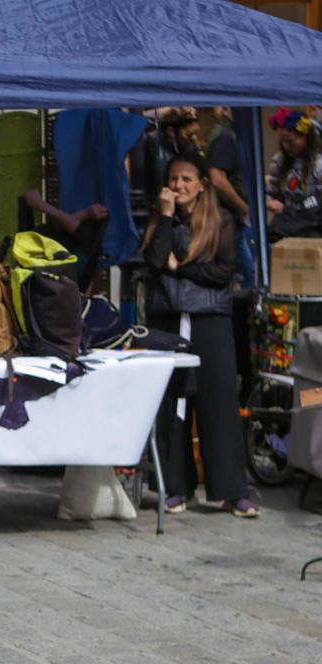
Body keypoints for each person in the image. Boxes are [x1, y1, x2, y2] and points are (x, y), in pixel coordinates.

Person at [142, 152, 258, 519]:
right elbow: (156, 261)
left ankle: (230, 490)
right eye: (174, 179)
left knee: (219, 402)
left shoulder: (220, 220)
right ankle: (177, 487)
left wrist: (180, 267)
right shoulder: (161, 218)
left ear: (202, 185)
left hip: (210, 318)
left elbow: (222, 273)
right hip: (169, 319)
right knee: (172, 403)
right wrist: (163, 218)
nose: (178, 186)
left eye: (186, 179)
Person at [207, 107, 255, 289]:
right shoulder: (226, 137)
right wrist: (243, 207)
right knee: (246, 276)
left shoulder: (228, 134)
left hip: (230, 218)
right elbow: (217, 179)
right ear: (227, 110)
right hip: (230, 219)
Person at [264, 107, 322, 242]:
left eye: (290, 141)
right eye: (282, 141)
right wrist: (269, 201)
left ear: (305, 138)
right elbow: (272, 192)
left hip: (314, 231)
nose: (286, 146)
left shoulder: (318, 165)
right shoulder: (279, 162)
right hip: (286, 230)